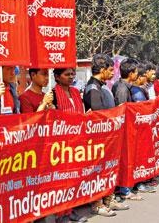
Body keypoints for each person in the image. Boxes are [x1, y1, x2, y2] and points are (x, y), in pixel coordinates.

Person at [83, 53, 129, 217]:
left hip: (109, 138)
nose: (112, 73)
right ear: (101, 70)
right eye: (109, 70)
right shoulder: (92, 89)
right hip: (98, 140)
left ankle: (109, 198)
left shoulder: (103, 87)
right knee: (98, 171)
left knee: (108, 170)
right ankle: (97, 203)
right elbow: (99, 115)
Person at [52, 67, 88, 223]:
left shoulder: (75, 92)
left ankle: (71, 209)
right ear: (57, 77)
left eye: (72, 74)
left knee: (74, 178)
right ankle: (61, 213)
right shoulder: (52, 95)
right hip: (61, 145)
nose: (71, 77)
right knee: (62, 180)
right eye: (67, 75)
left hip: (78, 143)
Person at [112, 58, 143, 201]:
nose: (137, 74)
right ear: (131, 73)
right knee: (125, 159)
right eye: (136, 72)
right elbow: (122, 109)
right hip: (124, 130)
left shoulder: (122, 86)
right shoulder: (122, 89)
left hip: (127, 129)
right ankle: (125, 189)